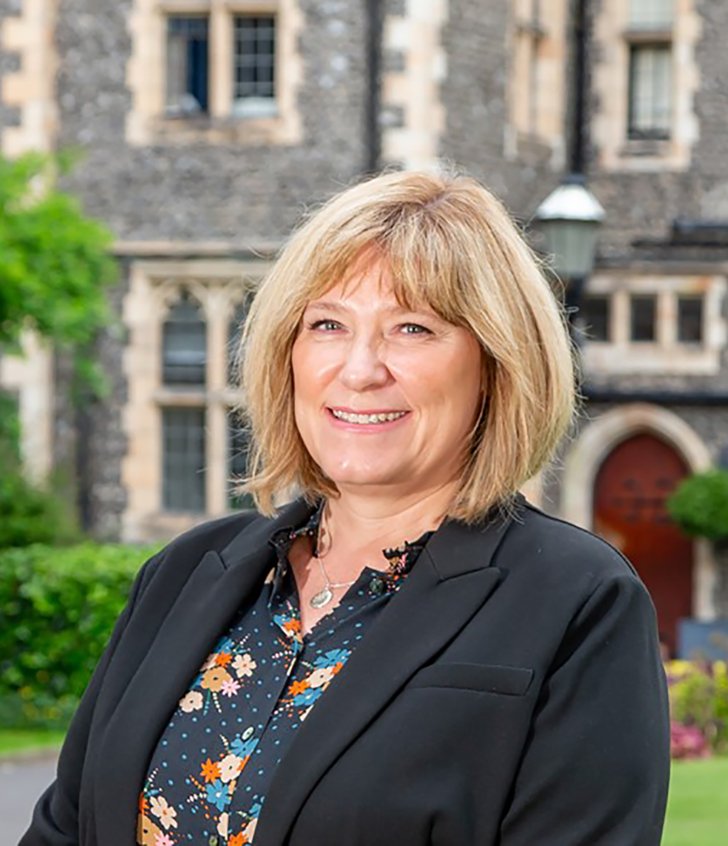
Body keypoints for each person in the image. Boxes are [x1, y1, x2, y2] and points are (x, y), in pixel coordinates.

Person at [21, 170, 670, 846]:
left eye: (413, 328)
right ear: (288, 351)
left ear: (496, 363)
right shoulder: (187, 571)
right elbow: (68, 827)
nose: (360, 369)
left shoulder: (577, 599)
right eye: (328, 323)